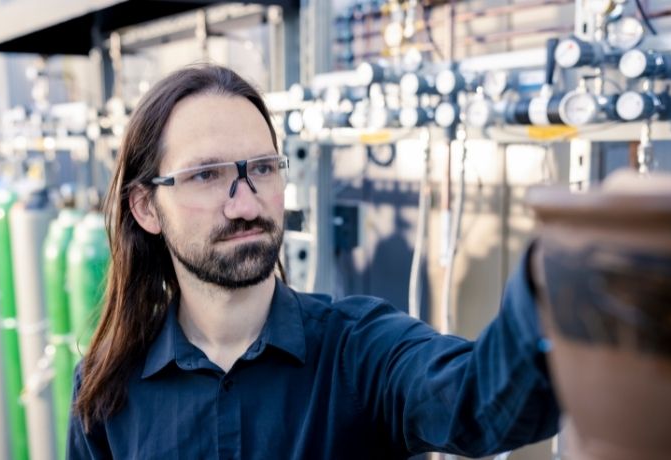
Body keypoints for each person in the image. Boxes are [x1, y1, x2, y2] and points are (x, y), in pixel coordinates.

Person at [67, 64, 560, 459]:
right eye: (207, 176)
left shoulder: (359, 352)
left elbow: (482, 405)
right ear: (146, 207)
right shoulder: (107, 390)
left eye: (262, 168)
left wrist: (557, 271)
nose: (245, 204)